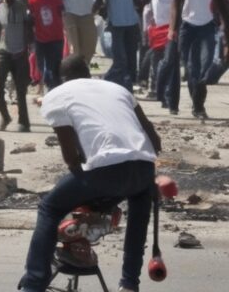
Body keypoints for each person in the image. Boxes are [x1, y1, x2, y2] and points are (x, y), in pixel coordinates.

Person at [18, 55, 161, 292]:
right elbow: (154, 140)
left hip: (107, 170)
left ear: (61, 79)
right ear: (88, 73)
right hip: (143, 167)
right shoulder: (117, 89)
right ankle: (129, 284)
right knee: (139, 213)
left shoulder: (57, 96)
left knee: (50, 208)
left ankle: (33, 284)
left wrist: (86, 184)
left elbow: (70, 157)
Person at [170, 0, 229, 120]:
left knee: (205, 67)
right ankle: (198, 107)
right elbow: (178, 0)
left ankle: (198, 103)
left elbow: (220, 0)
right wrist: (173, 27)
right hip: (188, 25)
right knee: (192, 68)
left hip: (207, 25)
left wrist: (227, 28)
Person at [142, 0, 182, 105]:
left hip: (177, 22)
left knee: (172, 59)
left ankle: (167, 93)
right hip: (159, 22)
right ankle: (154, 88)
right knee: (158, 57)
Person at [0, 0, 32, 132]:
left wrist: (29, 49)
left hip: (20, 52)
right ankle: (5, 116)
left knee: (21, 89)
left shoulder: (22, 8)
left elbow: (28, 28)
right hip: (4, 51)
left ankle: (24, 121)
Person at [99, 0, 141, 92]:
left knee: (130, 59)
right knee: (120, 60)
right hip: (116, 23)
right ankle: (106, 82)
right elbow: (101, 0)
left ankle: (126, 88)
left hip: (131, 22)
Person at [27, 0, 64, 91]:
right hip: (41, 39)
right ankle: (52, 88)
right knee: (43, 67)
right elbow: (33, 16)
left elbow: (60, 10)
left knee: (54, 67)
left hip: (56, 39)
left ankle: (55, 89)